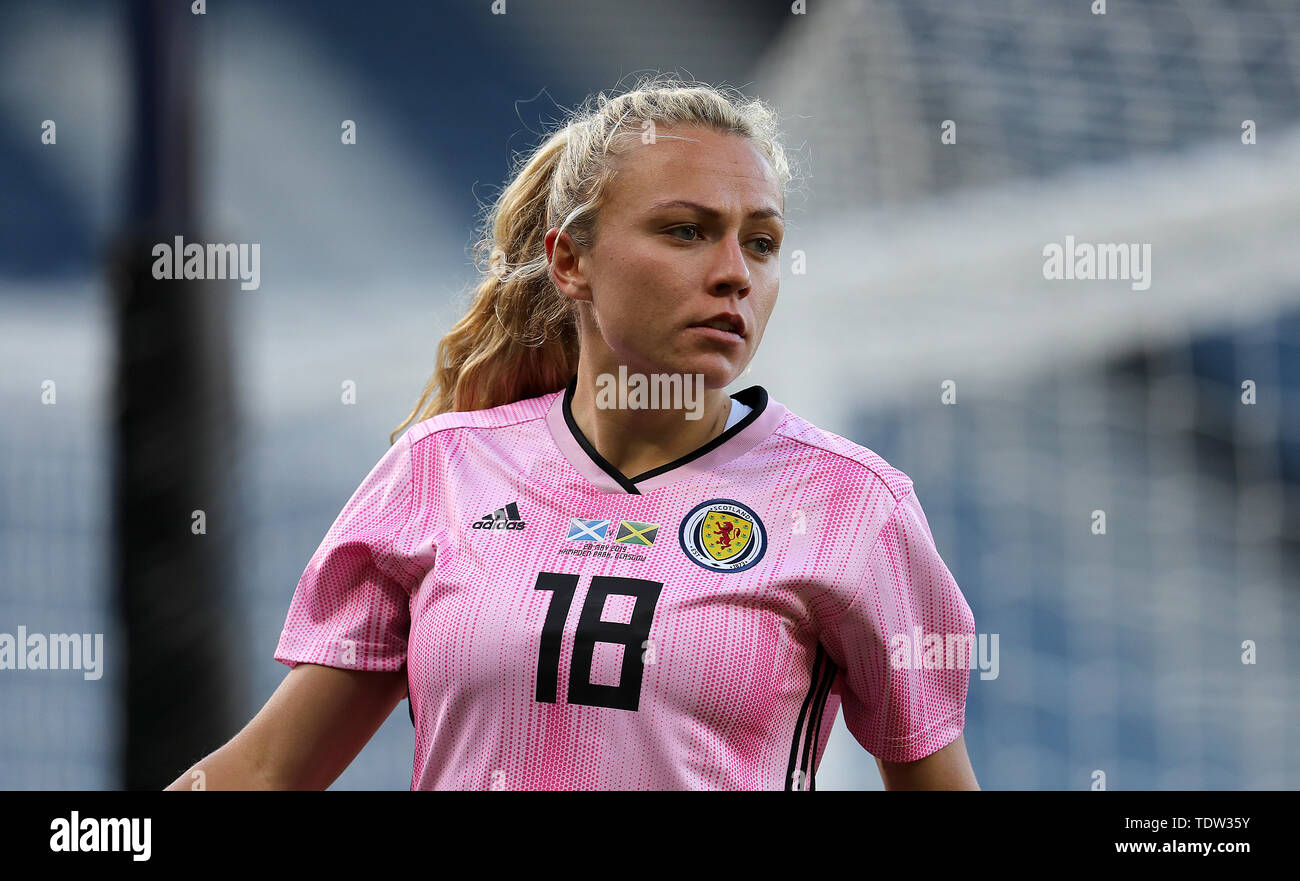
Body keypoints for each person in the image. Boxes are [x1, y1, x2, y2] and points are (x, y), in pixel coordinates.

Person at [165, 75, 979, 791]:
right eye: (686, 230)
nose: (736, 270)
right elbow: (268, 770)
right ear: (569, 262)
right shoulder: (440, 471)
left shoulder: (851, 506)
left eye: (761, 242)